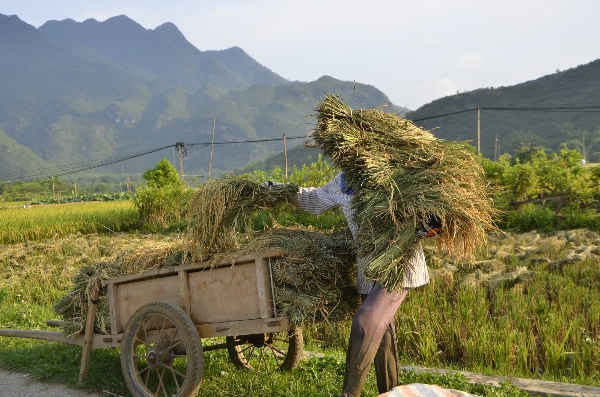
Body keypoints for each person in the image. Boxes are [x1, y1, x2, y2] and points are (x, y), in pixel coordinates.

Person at [293, 171, 434, 397]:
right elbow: (314, 201)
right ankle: (391, 392)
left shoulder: (394, 173)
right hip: (369, 271)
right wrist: (279, 191)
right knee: (382, 335)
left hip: (398, 266)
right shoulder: (343, 182)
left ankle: (349, 394)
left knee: (365, 323)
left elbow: (428, 209)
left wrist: (425, 224)